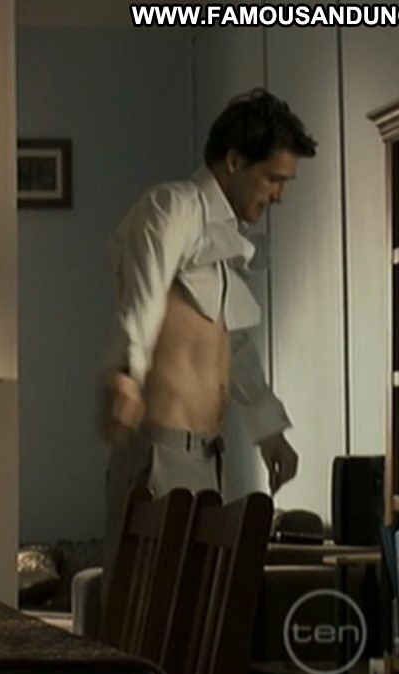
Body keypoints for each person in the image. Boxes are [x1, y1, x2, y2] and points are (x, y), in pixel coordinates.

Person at [98, 88, 318, 570]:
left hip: (208, 459)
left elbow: (232, 346)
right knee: (147, 604)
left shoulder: (225, 243)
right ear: (235, 161)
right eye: (273, 179)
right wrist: (127, 373)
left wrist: (269, 430)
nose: (279, 195)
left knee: (194, 606)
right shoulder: (172, 207)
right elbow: (144, 294)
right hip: (160, 454)